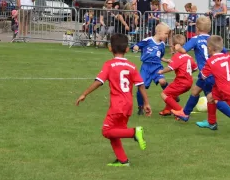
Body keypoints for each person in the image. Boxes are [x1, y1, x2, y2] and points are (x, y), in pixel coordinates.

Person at [75, 34, 150, 167]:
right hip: (128, 105)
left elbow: (99, 82)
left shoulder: (109, 65)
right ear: (127, 49)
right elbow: (141, 85)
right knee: (114, 133)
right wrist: (146, 103)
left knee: (106, 131)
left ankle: (134, 132)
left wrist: (84, 94)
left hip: (117, 105)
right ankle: (123, 161)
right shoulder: (132, 66)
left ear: (110, 48)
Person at [171, 16, 230, 128]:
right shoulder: (212, 40)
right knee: (195, 91)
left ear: (197, 28)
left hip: (207, 73)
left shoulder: (195, 39)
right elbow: (225, 53)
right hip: (213, 71)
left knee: (212, 98)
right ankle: (185, 113)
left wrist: (178, 47)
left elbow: (184, 50)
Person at [133, 23, 171, 115]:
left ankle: (172, 94)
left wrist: (166, 60)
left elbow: (159, 56)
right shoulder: (148, 40)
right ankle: (140, 107)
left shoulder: (162, 45)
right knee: (141, 87)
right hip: (146, 67)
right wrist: (137, 47)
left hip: (157, 66)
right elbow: (138, 45)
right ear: (158, 32)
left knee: (162, 81)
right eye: (166, 33)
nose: (167, 36)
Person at [157, 34, 198, 116]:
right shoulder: (189, 56)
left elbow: (170, 67)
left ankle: (181, 111)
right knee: (172, 94)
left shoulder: (177, 56)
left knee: (164, 94)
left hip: (181, 82)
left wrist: (162, 71)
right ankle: (167, 110)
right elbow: (195, 68)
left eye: (171, 45)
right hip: (189, 82)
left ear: (174, 46)